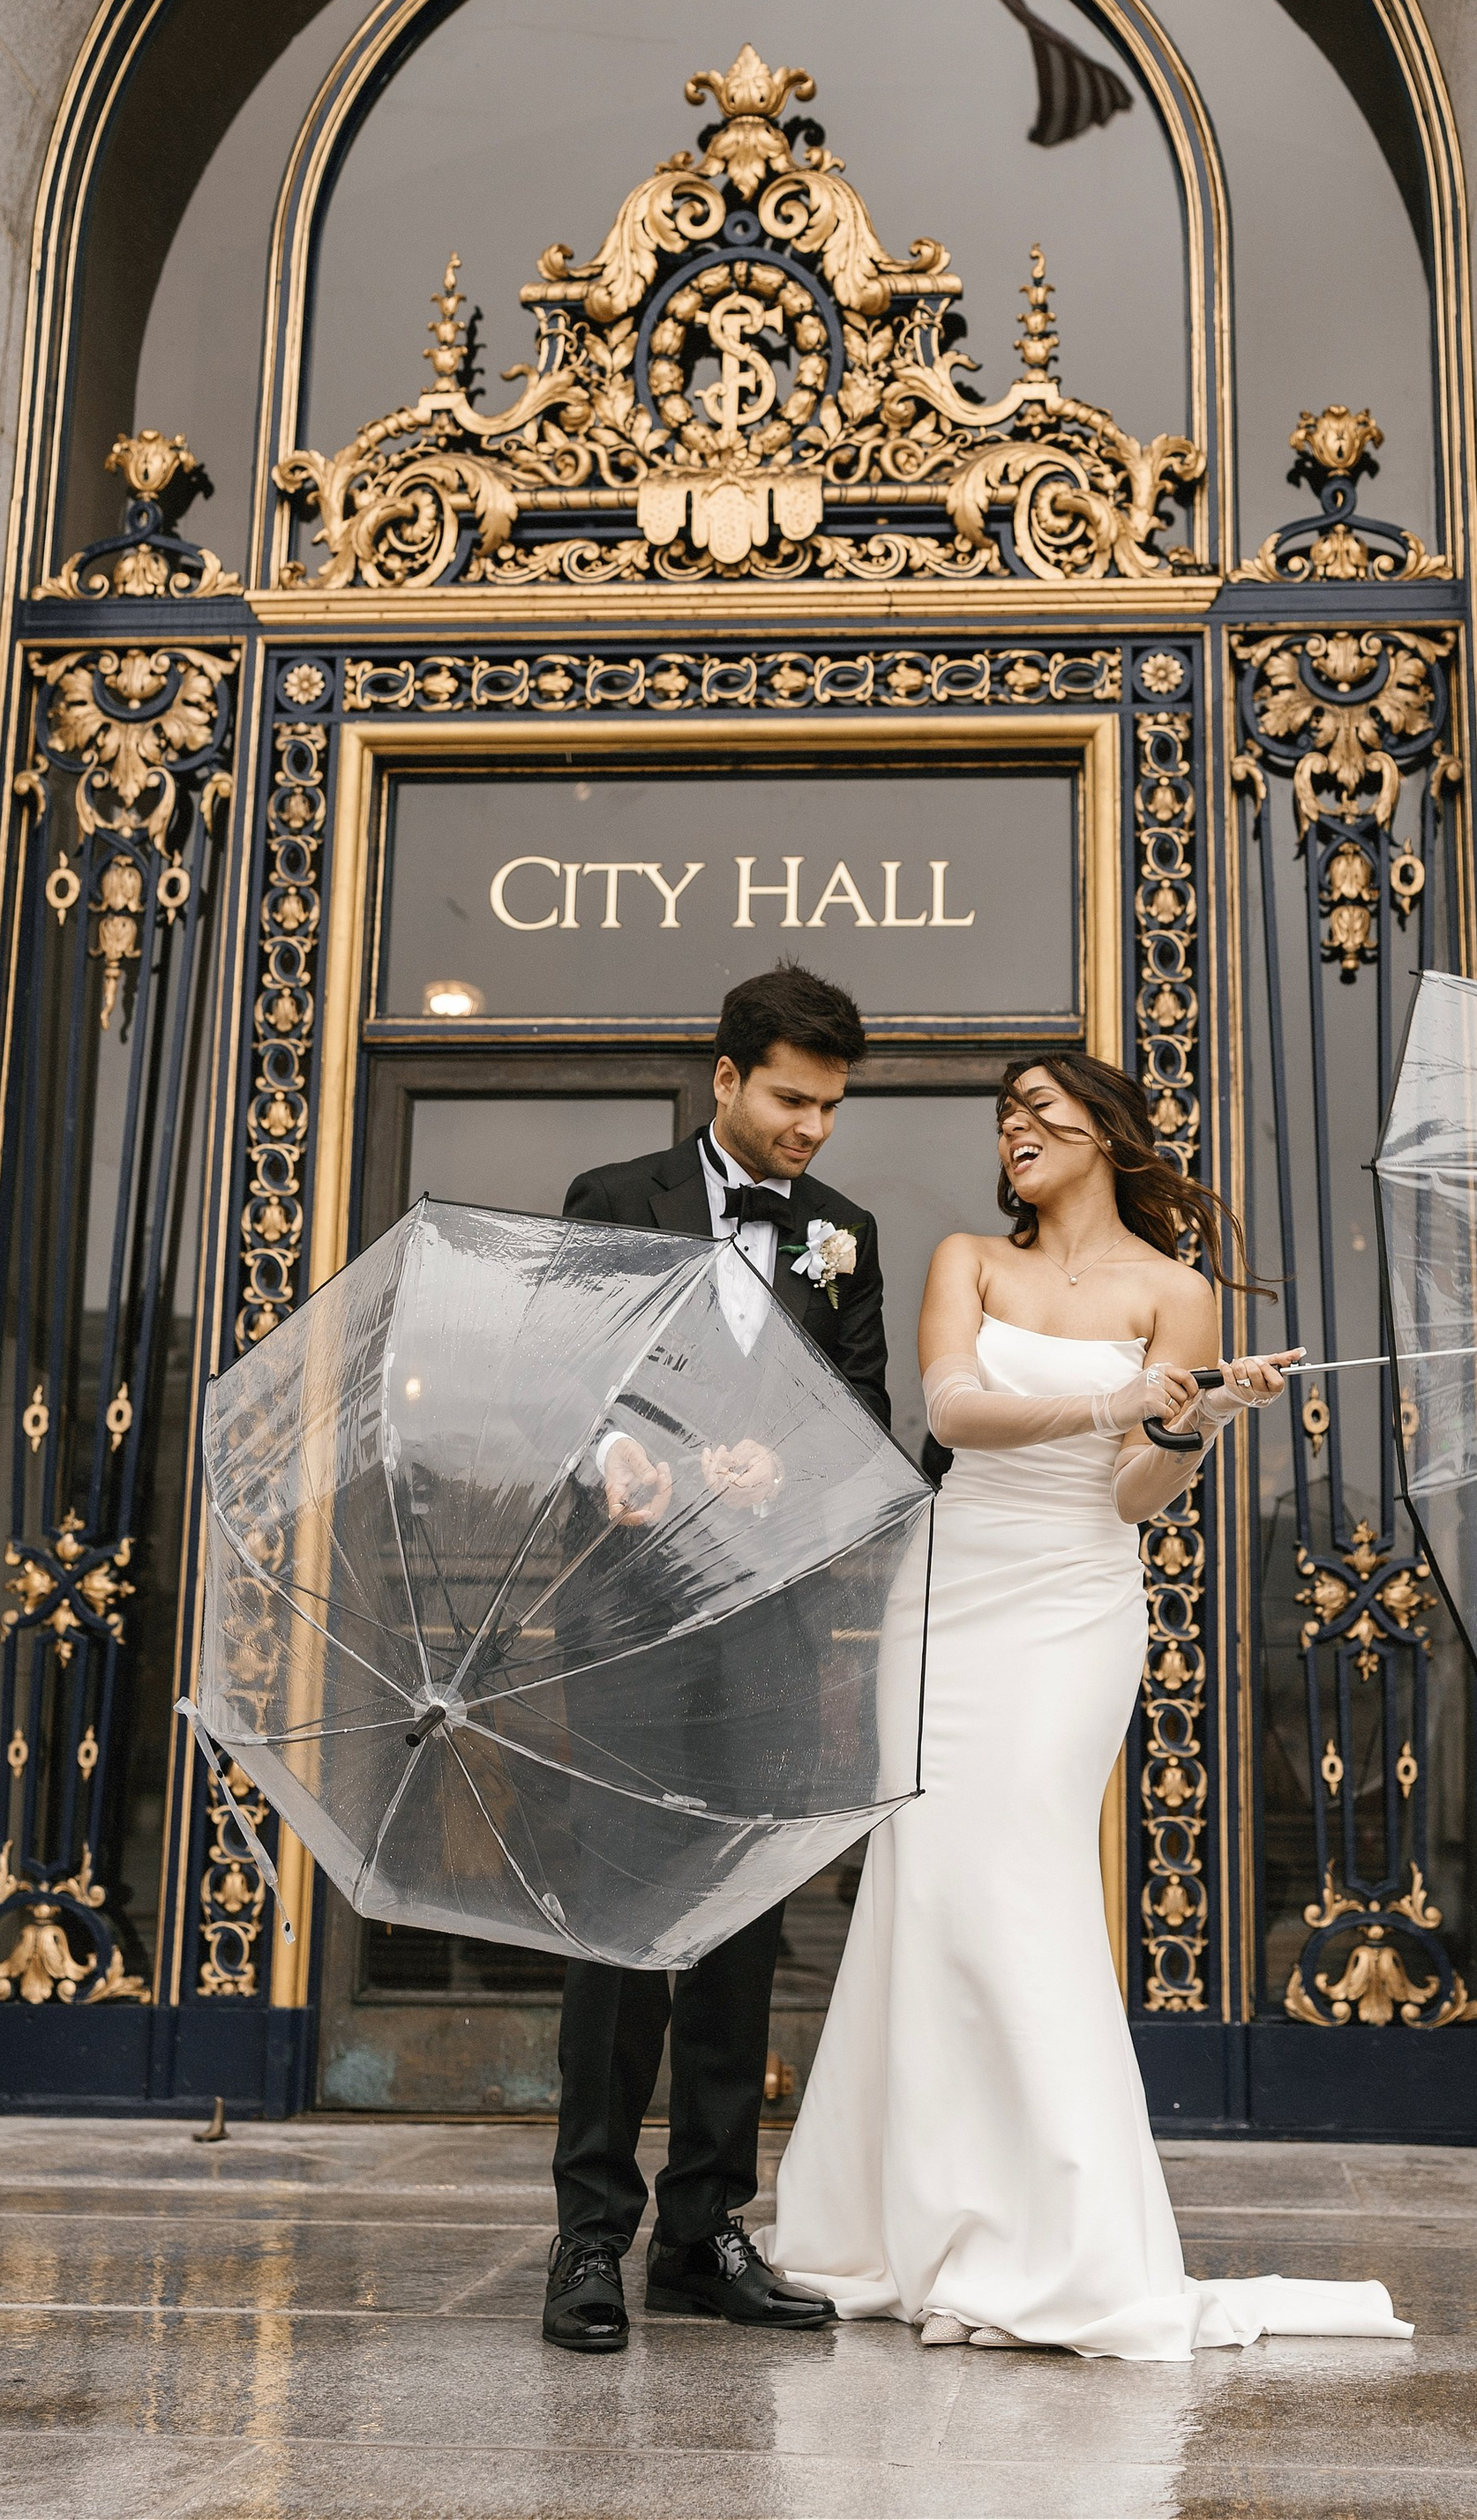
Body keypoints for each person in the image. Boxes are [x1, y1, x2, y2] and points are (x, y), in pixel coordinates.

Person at [770, 1051, 1416, 2361]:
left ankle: (1057, 2238)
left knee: (1020, 1882)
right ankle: (913, 2226)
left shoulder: (1175, 1292)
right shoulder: (969, 1260)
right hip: (951, 1593)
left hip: (1072, 1603)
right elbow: (952, 1408)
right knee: (929, 1890)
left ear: (1107, 1136)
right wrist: (1120, 1396)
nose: (1016, 1131)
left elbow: (1131, 1494)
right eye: (1005, 1115)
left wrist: (1200, 1422)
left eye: (1041, 1113)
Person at [542, 962, 889, 2355]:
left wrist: (786, 1457)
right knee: (622, 1933)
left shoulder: (845, 1233)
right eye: (793, 1101)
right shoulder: (611, 1197)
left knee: (741, 1931)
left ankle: (702, 2230)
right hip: (627, 1617)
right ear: (727, 1079)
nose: (812, 1131)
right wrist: (615, 1451)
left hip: (770, 1627)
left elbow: (863, 1410)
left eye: (831, 1109)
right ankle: (585, 2239)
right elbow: (559, 1383)